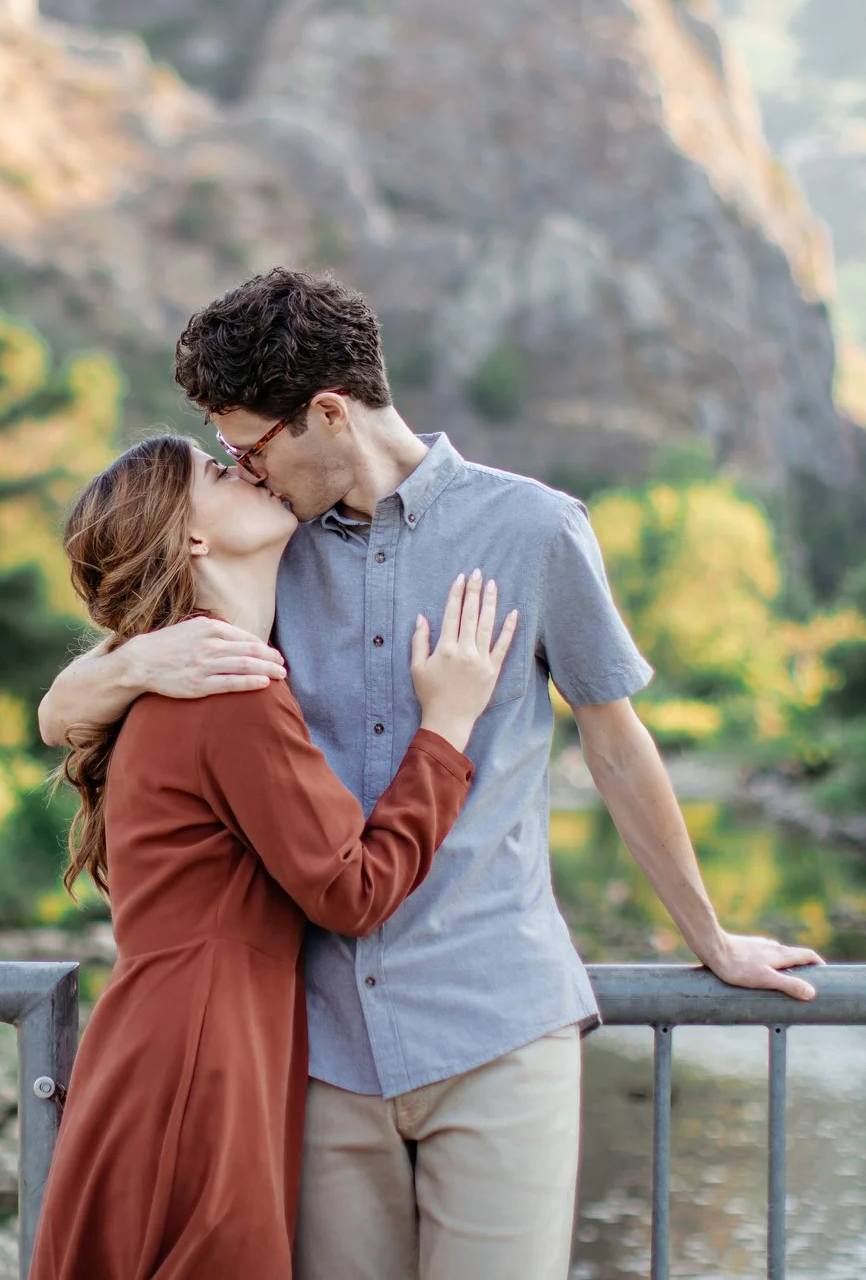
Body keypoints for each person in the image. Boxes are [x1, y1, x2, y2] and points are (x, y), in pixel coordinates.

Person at [37, 269, 823, 1280]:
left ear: (325, 412)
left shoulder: (534, 530)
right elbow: (69, 707)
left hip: (496, 1027)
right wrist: (134, 658)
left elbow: (617, 746)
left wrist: (706, 934)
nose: (244, 469)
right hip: (318, 1051)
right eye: (227, 460)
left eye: (250, 446)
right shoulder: (271, 548)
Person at [28, 434, 518, 1280]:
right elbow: (352, 888)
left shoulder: (191, 673)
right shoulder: (228, 691)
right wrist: (447, 726)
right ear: (190, 538)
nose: (246, 467)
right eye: (218, 470)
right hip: (200, 1060)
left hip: (170, 1043)